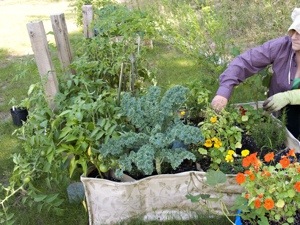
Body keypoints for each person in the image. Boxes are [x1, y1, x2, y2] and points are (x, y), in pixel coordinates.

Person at [211, 7, 300, 139]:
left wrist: (289, 96)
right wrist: (223, 91)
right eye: (293, 31)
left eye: (299, 33)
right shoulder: (282, 46)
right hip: (282, 116)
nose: (293, 37)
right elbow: (245, 61)